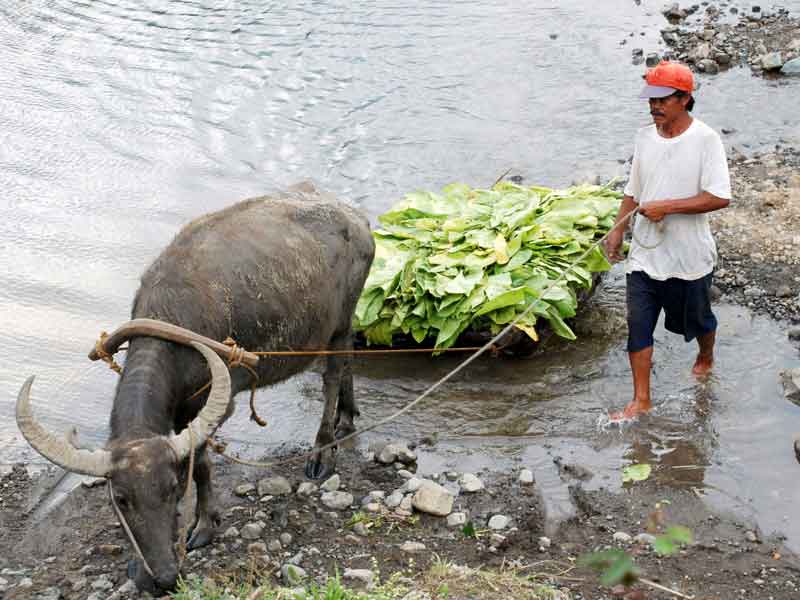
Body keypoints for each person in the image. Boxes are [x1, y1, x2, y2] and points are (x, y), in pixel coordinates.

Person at [605, 61, 731, 420]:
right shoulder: (644, 137)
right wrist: (617, 229)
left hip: (688, 258)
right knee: (638, 323)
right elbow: (634, 190)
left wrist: (668, 208)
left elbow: (719, 196)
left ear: (684, 99)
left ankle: (706, 355)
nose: (655, 106)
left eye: (663, 99)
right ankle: (641, 399)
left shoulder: (705, 139)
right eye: (651, 100)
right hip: (645, 255)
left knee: (699, 320)